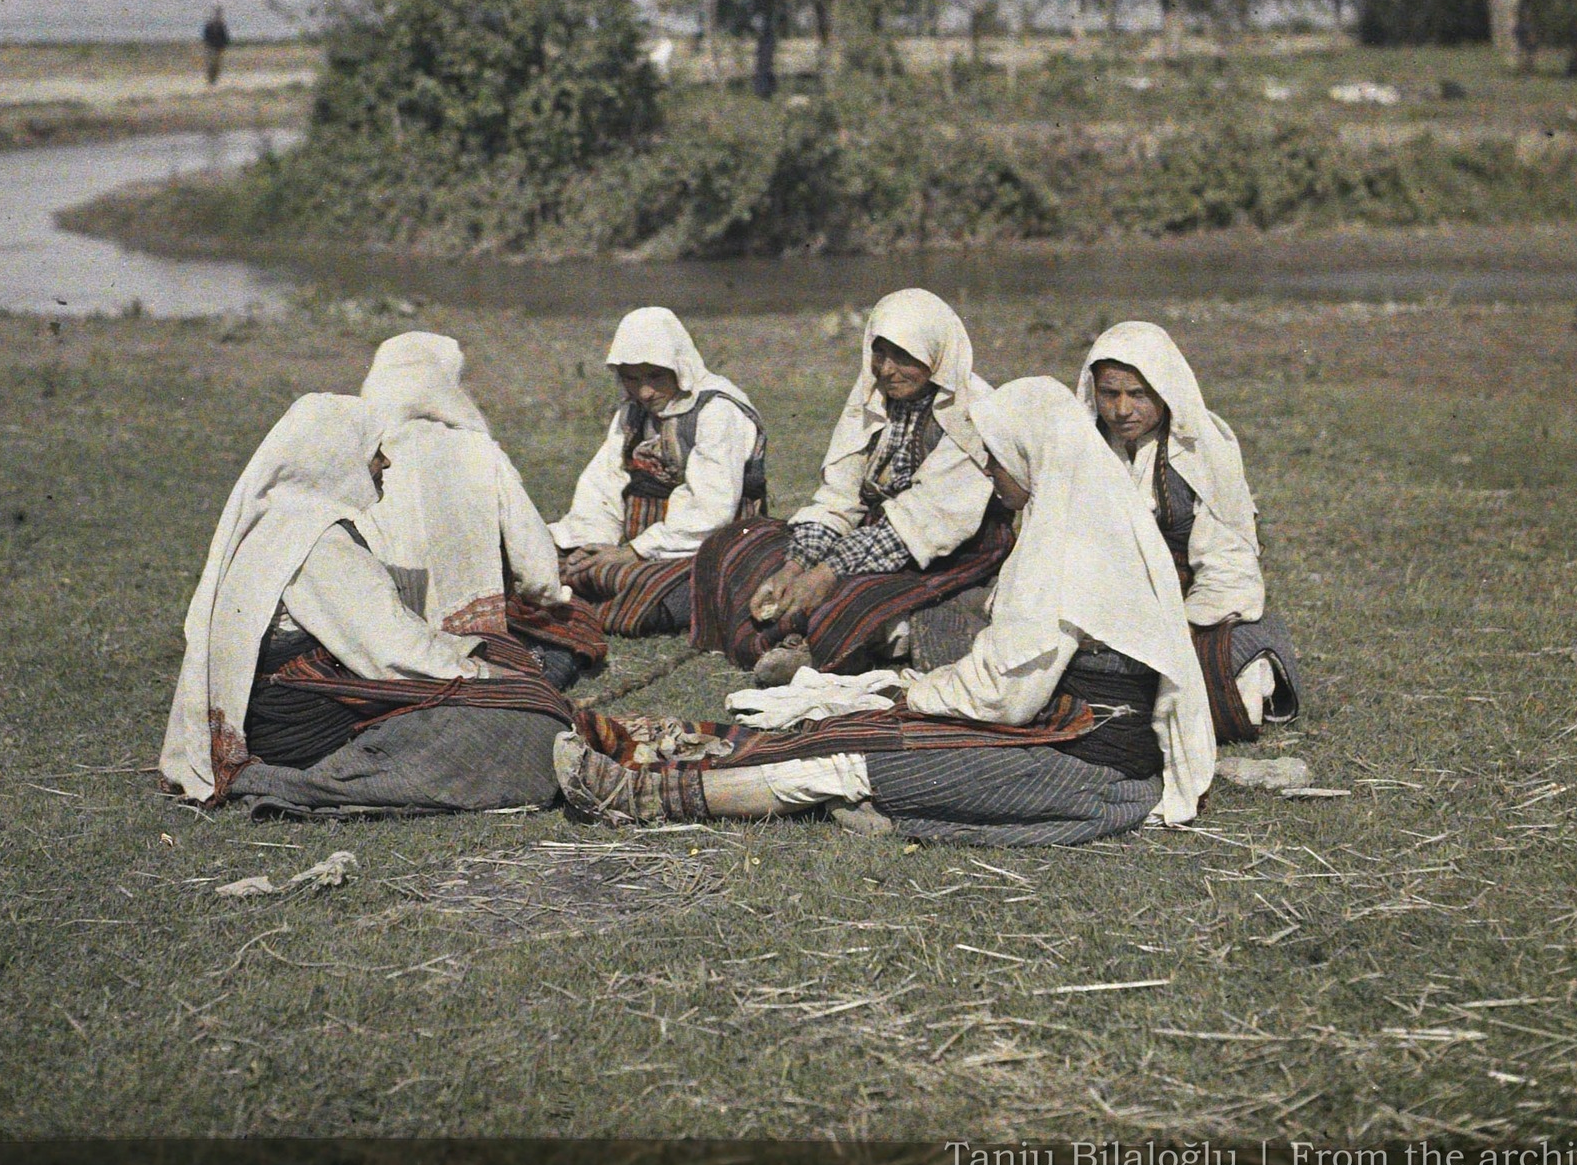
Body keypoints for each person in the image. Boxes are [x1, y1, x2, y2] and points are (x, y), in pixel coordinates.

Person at [555, 378, 1218, 845]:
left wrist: (913, 693)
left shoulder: (1070, 543)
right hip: (1061, 730)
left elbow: (1007, 695)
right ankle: (663, 753)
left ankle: (653, 795)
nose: (991, 473)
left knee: (868, 756)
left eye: (995, 458)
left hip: (1087, 768)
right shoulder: (1080, 517)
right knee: (864, 729)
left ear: (1029, 452)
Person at [157, 393, 583, 819]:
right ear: (338, 459)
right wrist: (482, 674)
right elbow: (393, 652)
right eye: (375, 452)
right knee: (527, 722)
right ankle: (316, 781)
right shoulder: (318, 544)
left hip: (290, 716)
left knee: (513, 682)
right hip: (305, 734)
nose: (387, 463)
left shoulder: (280, 521)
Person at [690, 288, 1011, 682]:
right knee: (739, 546)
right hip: (871, 535)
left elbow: (920, 525)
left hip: (943, 544)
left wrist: (826, 573)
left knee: (850, 598)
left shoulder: (972, 411)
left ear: (935, 354)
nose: (886, 369)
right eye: (880, 353)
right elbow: (840, 495)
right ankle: (806, 633)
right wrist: (795, 566)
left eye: (903, 356)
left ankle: (820, 648)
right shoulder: (875, 395)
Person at [1078, 321, 1301, 743]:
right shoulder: (1080, 448)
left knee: (1233, 668)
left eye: (1138, 394)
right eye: (1109, 394)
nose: (1122, 409)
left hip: (1188, 613)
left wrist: (1179, 628)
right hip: (1101, 606)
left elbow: (1227, 563)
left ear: (1164, 390)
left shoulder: (1202, 449)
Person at [357, 331, 603, 689]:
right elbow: (533, 559)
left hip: (385, 631)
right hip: (474, 632)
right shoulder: (477, 450)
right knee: (575, 622)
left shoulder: (361, 457)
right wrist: (548, 596)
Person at [549, 308, 767, 637]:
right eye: (631, 379)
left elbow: (711, 510)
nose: (644, 392)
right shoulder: (633, 411)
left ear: (679, 366)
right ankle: (590, 592)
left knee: (650, 592)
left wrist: (633, 552)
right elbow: (605, 483)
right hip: (639, 540)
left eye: (655, 377)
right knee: (547, 559)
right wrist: (592, 544)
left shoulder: (718, 410)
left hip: (706, 543)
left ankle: (592, 604)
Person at [201, 4, 231, 86]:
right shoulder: (210, 25)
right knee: (211, 63)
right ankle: (210, 79)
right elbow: (206, 36)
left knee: (217, 64)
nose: (218, 16)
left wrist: (224, 45)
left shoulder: (221, 25)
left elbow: (225, 36)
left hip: (218, 48)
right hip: (211, 47)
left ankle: (214, 79)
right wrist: (207, 44)